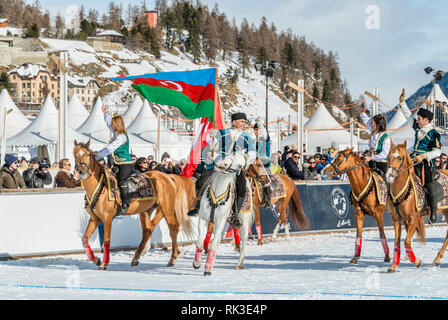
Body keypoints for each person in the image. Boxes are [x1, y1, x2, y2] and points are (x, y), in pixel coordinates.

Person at [189, 112, 257, 228]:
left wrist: (245, 159)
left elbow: (252, 153)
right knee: (201, 181)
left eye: (245, 122)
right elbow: (211, 146)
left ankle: (235, 214)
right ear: (234, 122)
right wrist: (211, 138)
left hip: (235, 169)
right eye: (242, 121)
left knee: (242, 188)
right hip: (219, 165)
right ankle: (197, 206)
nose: (244, 124)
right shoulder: (222, 133)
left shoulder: (247, 138)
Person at [397, 91, 441, 223]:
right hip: (412, 158)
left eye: (420, 118)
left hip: (425, 163)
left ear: (426, 120)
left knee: (429, 182)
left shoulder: (434, 134)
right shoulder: (417, 127)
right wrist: (402, 103)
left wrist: (423, 156)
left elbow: (437, 151)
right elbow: (409, 117)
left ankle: (432, 210)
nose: (418, 120)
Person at [95, 105, 134, 215]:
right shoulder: (116, 133)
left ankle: (126, 203)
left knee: (121, 180)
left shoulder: (122, 137)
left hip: (126, 164)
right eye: (111, 124)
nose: (111, 126)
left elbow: (110, 148)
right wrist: (104, 114)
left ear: (117, 125)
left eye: (113, 124)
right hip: (117, 163)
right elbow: (108, 123)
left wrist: (97, 154)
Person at [359, 105, 391, 177]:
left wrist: (371, 157)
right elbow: (367, 121)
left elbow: (384, 154)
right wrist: (362, 113)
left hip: (381, 164)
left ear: (377, 125)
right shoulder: (374, 131)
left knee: (384, 182)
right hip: (371, 163)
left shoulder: (386, 138)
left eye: (372, 122)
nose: (371, 124)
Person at [253, 118, 273, 207]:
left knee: (266, 181)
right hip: (255, 164)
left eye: (257, 130)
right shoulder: (253, 141)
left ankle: (268, 200)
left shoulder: (265, 138)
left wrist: (259, 123)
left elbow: (264, 133)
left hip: (265, 164)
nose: (256, 131)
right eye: (255, 129)